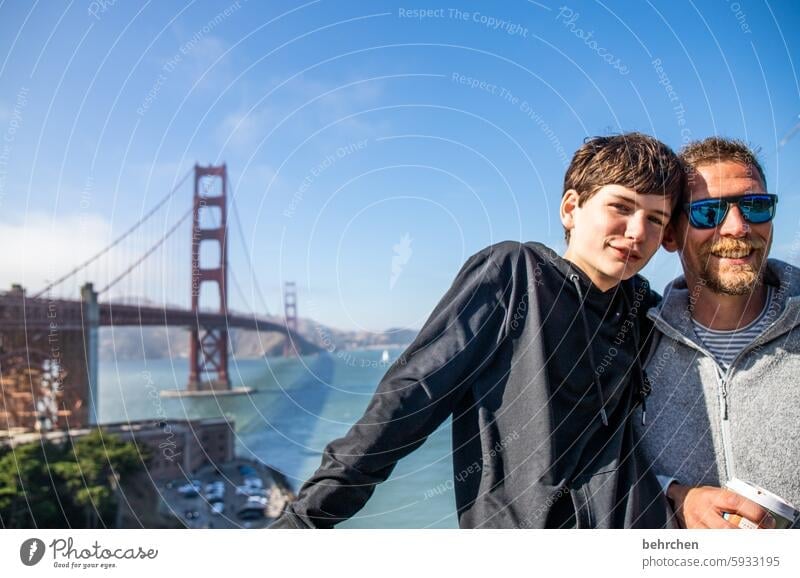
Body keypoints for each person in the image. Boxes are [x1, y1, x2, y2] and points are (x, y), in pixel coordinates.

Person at [270, 133, 685, 529]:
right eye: (621, 207)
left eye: (655, 218)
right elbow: (412, 397)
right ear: (570, 209)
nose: (637, 232)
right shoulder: (514, 275)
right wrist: (306, 518)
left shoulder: (646, 313)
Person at [638, 137, 800, 529]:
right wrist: (675, 496)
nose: (737, 227)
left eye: (755, 206)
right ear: (670, 235)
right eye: (708, 212)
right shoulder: (634, 343)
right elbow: (596, 471)